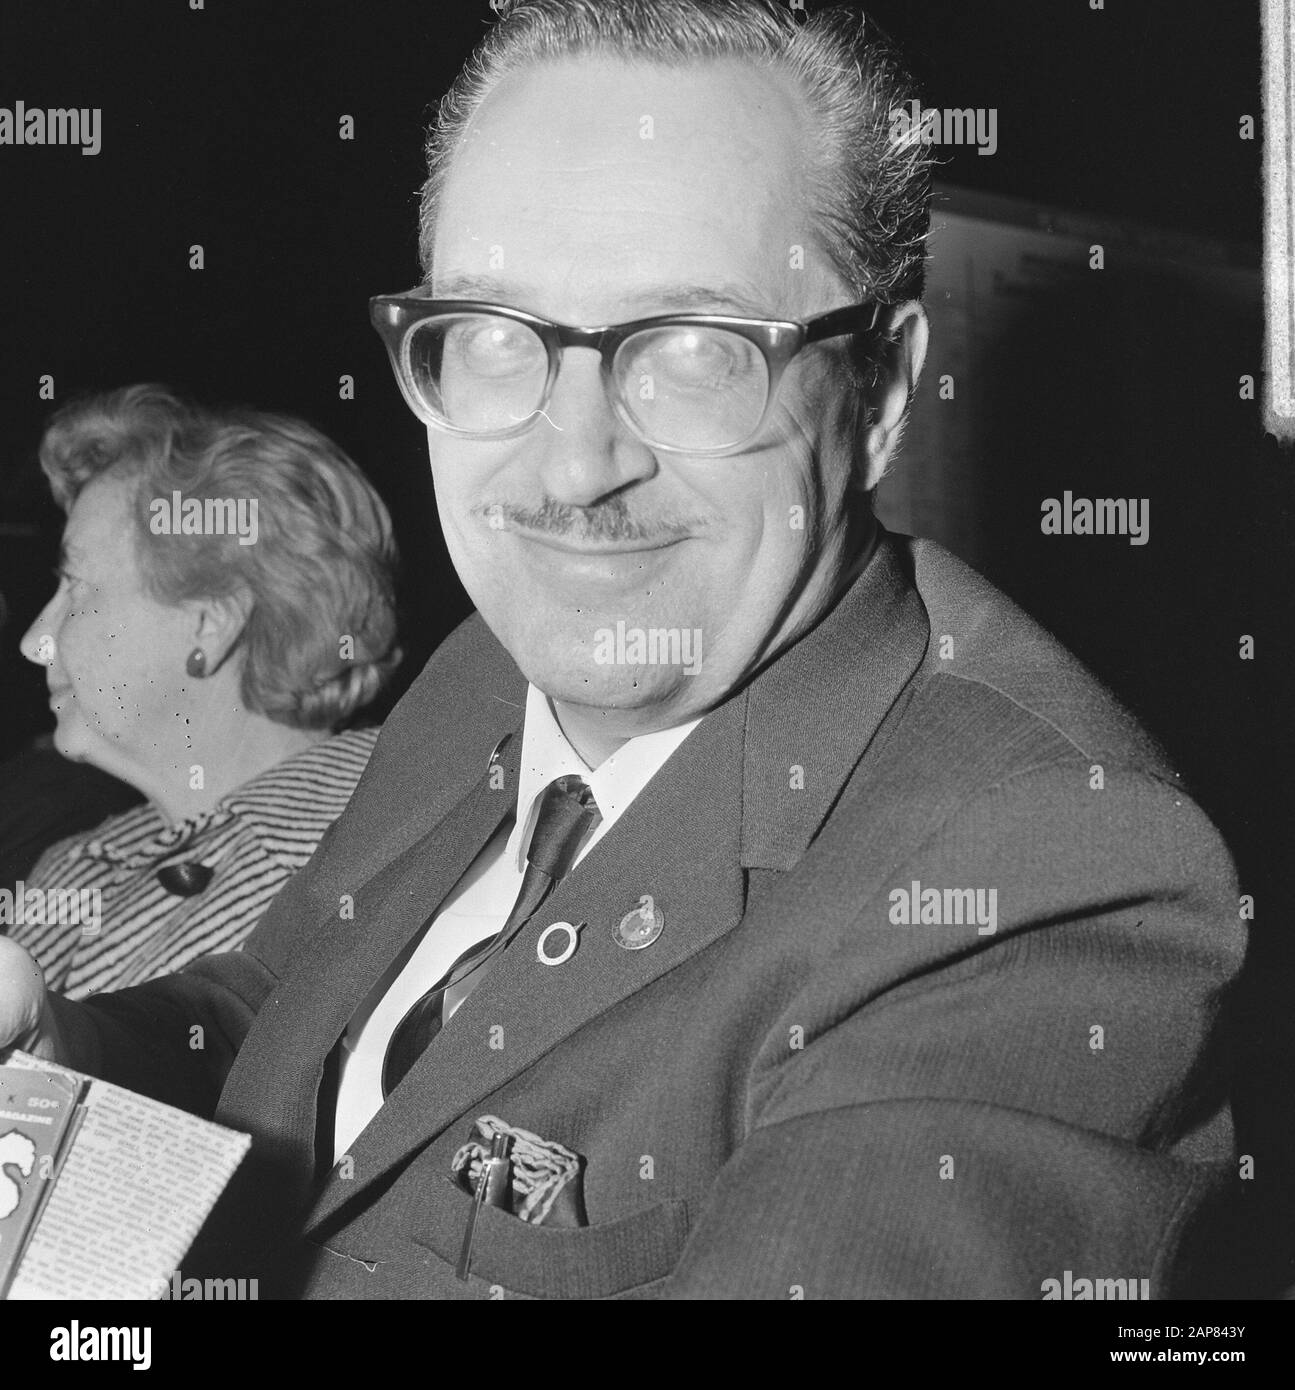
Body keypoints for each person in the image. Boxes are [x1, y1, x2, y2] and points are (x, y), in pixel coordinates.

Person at [0, 0, 1243, 1298]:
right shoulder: (493, 660)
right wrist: (66, 1044)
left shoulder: (1048, 869)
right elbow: (285, 1006)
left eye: (696, 350)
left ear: (874, 396)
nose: (573, 467)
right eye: (490, 335)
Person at [3, 385, 401, 997]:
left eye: (77, 587)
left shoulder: (378, 861)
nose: (35, 641)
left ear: (211, 623)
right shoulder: (76, 866)